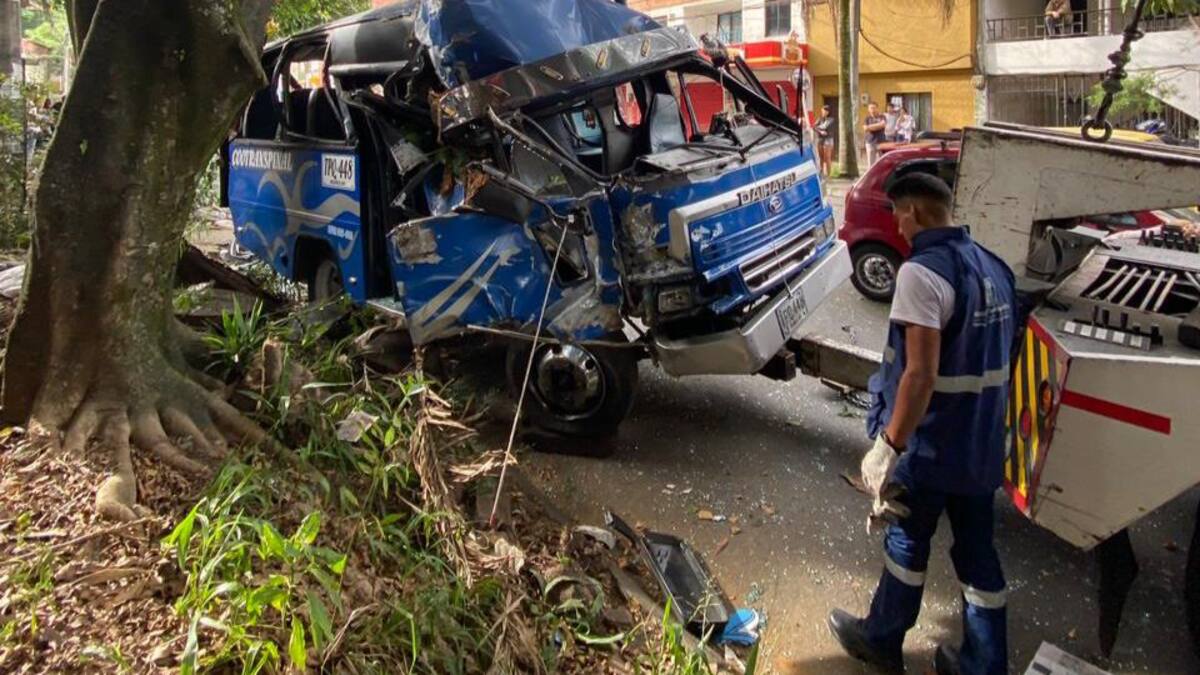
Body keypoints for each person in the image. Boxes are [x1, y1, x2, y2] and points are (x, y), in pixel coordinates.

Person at [828, 173, 1017, 675]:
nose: (895, 224)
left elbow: (919, 374)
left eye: (896, 214)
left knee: (907, 541)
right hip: (979, 446)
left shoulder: (921, 274)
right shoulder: (993, 267)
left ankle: (881, 641)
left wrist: (888, 445)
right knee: (978, 552)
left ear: (911, 211)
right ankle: (985, 663)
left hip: (931, 446)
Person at [814, 104, 835, 176]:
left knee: (827, 158)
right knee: (821, 157)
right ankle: (821, 173)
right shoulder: (819, 119)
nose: (823, 112)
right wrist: (820, 131)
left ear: (828, 112)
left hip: (828, 140)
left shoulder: (831, 119)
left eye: (825, 111)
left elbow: (824, 126)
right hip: (820, 139)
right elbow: (814, 127)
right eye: (822, 111)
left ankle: (829, 174)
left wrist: (818, 128)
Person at [863, 102, 887, 167]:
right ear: (868, 109)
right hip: (870, 142)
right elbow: (865, 129)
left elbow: (883, 125)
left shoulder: (882, 116)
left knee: (883, 162)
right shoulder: (867, 118)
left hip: (881, 142)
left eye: (874, 108)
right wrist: (878, 126)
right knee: (871, 164)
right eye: (871, 108)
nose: (872, 110)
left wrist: (870, 127)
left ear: (877, 108)